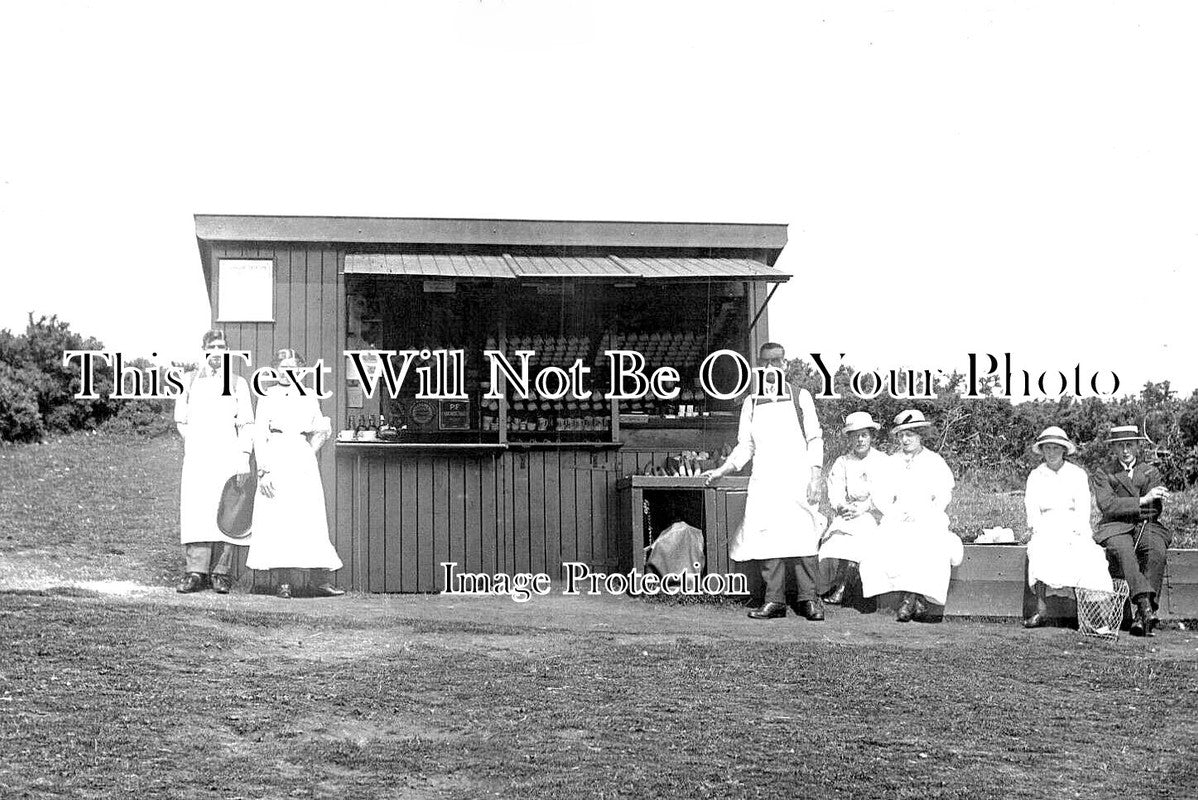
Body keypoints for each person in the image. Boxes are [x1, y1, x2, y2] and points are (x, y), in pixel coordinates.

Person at [702, 342, 825, 621]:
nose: (770, 368)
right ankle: (774, 601)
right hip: (766, 480)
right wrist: (723, 469)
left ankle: (808, 599)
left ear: (785, 365)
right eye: (765, 362)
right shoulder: (752, 402)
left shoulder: (801, 397)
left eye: (776, 361)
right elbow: (745, 445)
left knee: (803, 535)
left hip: (797, 478)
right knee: (767, 536)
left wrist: (816, 476)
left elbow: (815, 438)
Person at [246, 349, 345, 599]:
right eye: (283, 367)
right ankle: (284, 582)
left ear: (300, 370)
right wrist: (263, 471)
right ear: (275, 370)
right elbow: (259, 435)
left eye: (293, 367)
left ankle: (318, 581)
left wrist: (309, 452)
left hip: (301, 459)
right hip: (275, 457)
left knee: (308, 516)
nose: (288, 372)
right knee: (280, 517)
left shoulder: (309, 395)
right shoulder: (267, 396)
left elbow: (321, 429)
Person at [859, 409, 964, 622]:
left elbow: (943, 495)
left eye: (910, 434)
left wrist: (925, 513)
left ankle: (910, 599)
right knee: (887, 541)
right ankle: (913, 600)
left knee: (929, 542)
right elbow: (881, 495)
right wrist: (895, 512)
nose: (905, 440)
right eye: (901, 435)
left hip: (927, 514)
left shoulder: (934, 461)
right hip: (898, 514)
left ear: (920, 435)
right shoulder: (891, 462)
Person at [174, 329, 254, 594]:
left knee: (227, 511)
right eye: (212, 347)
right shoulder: (188, 381)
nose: (217, 352)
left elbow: (247, 424)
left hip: (228, 454)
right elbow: (180, 419)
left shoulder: (238, 383)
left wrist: (243, 457)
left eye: (222, 347)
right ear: (204, 350)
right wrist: (195, 443)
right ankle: (195, 572)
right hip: (198, 456)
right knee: (197, 510)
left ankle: (221, 573)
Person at [1021, 426, 1112, 628]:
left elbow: (1083, 508)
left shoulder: (1077, 474)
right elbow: (1031, 507)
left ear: (1064, 450)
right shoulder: (1036, 475)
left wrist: (1079, 531)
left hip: (1072, 525)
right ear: (1042, 450)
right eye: (1047, 448)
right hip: (1046, 525)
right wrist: (1038, 528)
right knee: (1039, 549)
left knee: (1088, 555)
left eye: (1056, 448)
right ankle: (1041, 610)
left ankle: (1090, 615)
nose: (1051, 453)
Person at [1090, 424, 1171, 637]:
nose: (1125, 450)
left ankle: (1139, 618)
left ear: (1137, 446)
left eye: (1129, 445)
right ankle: (1145, 607)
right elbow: (1107, 506)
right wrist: (1142, 500)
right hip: (1114, 527)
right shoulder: (1104, 472)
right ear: (1113, 448)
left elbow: (1155, 508)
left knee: (1156, 550)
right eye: (1120, 446)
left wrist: (1125, 506)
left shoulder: (1150, 471)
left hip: (1146, 524)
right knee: (1124, 551)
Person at [818, 411, 887, 605]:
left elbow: (886, 493)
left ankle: (845, 587)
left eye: (864, 435)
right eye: (855, 436)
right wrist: (842, 506)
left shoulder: (882, 461)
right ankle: (835, 583)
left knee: (860, 535)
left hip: (874, 512)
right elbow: (835, 489)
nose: (860, 440)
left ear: (871, 436)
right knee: (836, 538)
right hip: (849, 511)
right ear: (849, 439)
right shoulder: (843, 462)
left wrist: (865, 507)